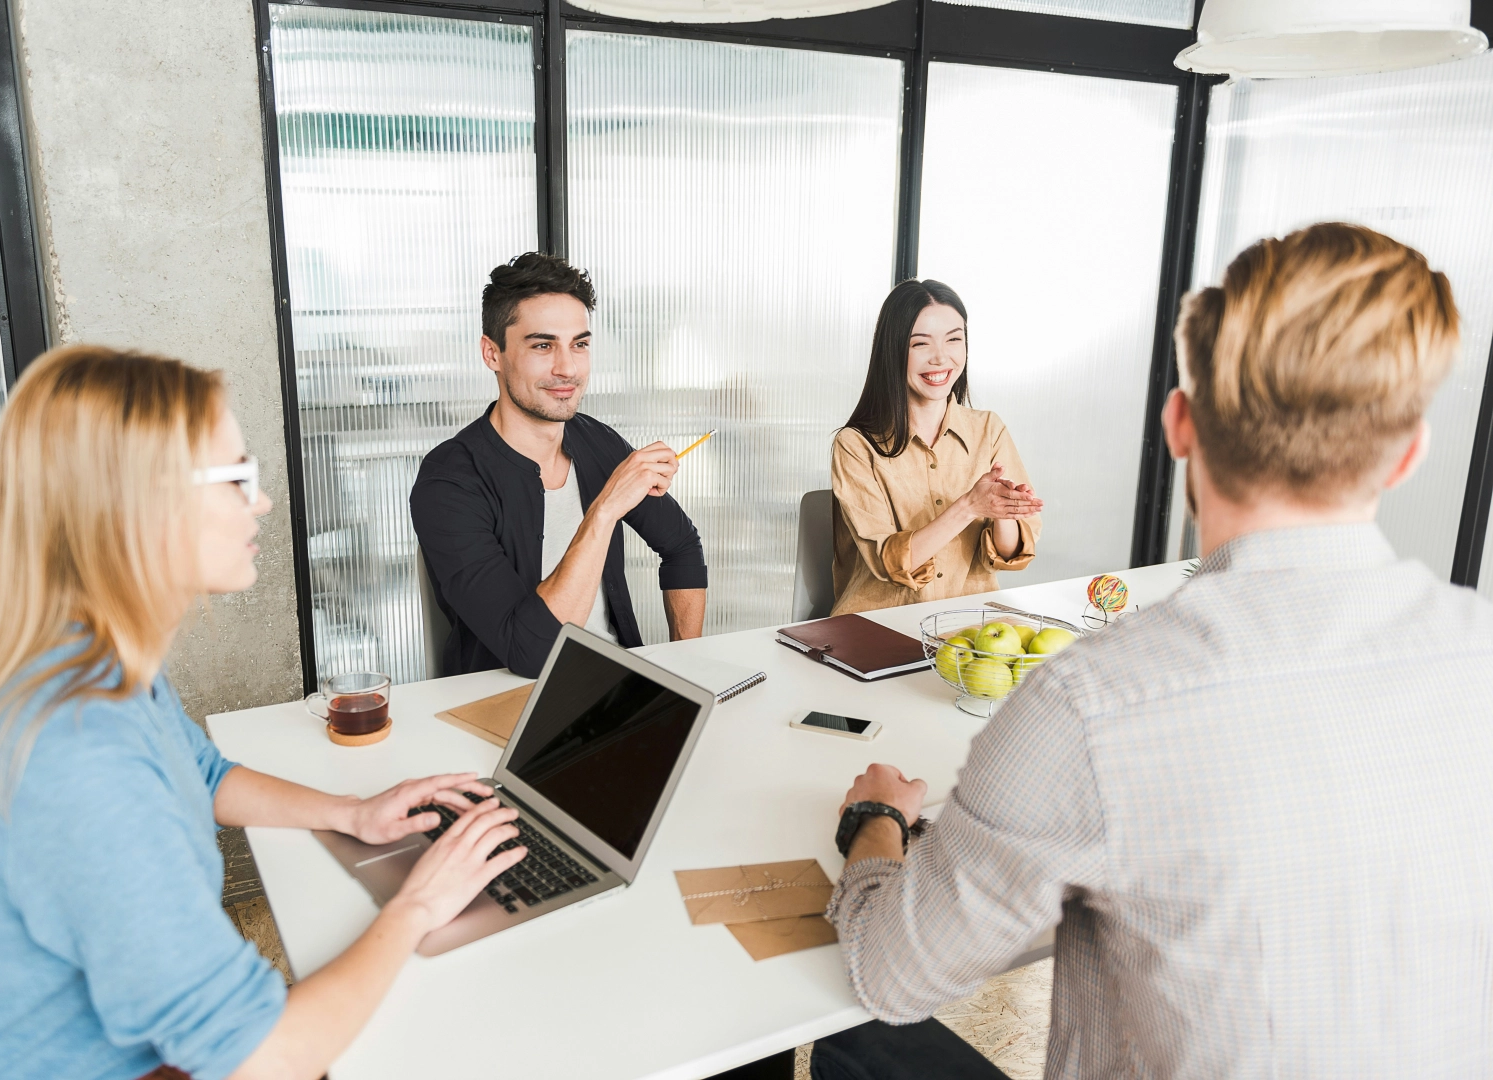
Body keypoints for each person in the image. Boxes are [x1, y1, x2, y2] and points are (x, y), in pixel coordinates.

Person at [816, 223, 1493, 1078]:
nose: (941, 358)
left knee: (853, 1038)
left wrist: (874, 820)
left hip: (946, 719)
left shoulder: (1088, 704)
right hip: (887, 632)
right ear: (1412, 453)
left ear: (1179, 424)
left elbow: (890, 971)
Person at [0, 346, 528, 1080]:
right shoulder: (78, 753)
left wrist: (355, 813)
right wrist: (417, 905)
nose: (259, 502)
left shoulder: (88, 660)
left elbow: (203, 776)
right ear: (136, 505)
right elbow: (264, 1059)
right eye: (237, 478)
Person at [410, 252, 707, 678]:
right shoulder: (450, 482)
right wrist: (604, 511)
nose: (567, 368)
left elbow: (682, 547)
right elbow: (532, 654)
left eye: (579, 344)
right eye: (543, 345)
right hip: (506, 699)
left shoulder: (598, 442)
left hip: (618, 686)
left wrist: (685, 669)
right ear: (492, 353)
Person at [830, 280, 1043, 617]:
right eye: (920, 344)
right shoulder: (855, 445)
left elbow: (1010, 553)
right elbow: (889, 562)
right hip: (879, 627)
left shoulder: (988, 429)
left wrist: (1005, 511)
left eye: (954, 339)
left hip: (970, 624)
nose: (941, 357)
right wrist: (970, 506)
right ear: (893, 350)